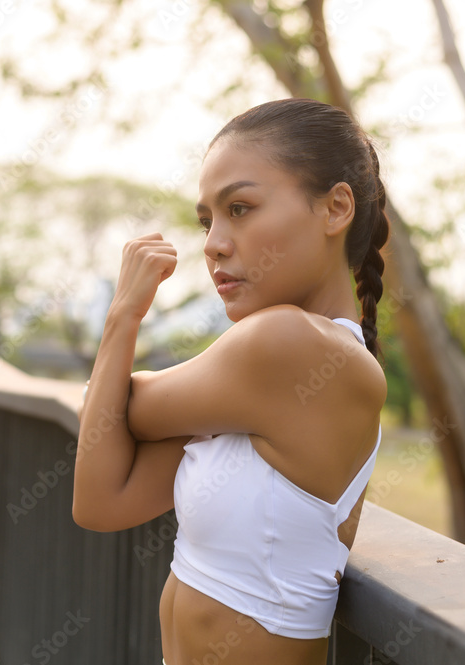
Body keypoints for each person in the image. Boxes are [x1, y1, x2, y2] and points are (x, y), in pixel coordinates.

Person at [72, 97, 389, 665]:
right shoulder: (262, 378)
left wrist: (124, 314)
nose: (213, 243)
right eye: (207, 220)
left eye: (240, 208)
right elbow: (101, 503)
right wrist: (121, 325)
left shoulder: (292, 346)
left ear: (336, 208)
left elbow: (121, 406)